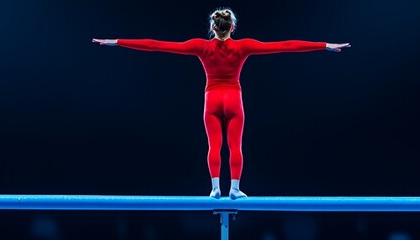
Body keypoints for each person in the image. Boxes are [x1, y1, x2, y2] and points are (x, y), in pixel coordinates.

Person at [93, 8, 350, 199]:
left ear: (213, 28)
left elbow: (155, 45)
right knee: (234, 145)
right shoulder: (244, 46)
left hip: (212, 99)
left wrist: (116, 42)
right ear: (232, 28)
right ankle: (235, 189)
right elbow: (286, 46)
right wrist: (324, 45)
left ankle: (215, 188)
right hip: (234, 98)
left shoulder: (201, 47)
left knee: (214, 145)